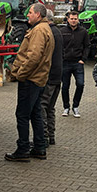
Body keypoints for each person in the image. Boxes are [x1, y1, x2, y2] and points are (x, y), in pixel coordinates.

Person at [5, 3, 55, 162]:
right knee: (35, 113)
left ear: (38, 15)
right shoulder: (45, 29)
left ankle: (23, 149)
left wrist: (20, 74)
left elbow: (33, 57)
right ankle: (39, 147)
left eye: (30, 13)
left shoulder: (39, 31)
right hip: (39, 79)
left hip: (31, 80)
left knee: (22, 114)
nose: (28, 15)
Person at [59, 10, 90, 118]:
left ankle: (75, 106)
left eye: (75, 19)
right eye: (71, 19)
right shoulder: (62, 31)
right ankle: (66, 107)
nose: (73, 21)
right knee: (65, 87)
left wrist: (83, 59)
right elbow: (58, 45)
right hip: (65, 62)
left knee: (80, 85)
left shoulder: (83, 32)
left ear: (78, 20)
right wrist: (61, 58)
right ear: (68, 19)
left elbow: (87, 46)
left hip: (78, 63)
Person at [40, 9, 63, 145]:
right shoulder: (58, 32)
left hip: (49, 75)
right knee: (50, 107)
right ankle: (51, 136)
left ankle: (44, 137)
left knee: (42, 105)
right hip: (57, 75)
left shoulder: (49, 33)